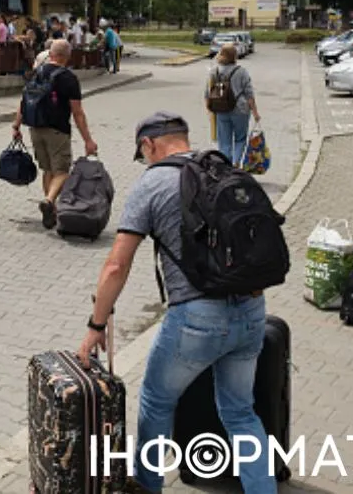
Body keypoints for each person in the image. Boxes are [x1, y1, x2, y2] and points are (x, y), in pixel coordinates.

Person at [78, 111, 276, 494]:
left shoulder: (152, 183)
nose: (144, 160)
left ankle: (148, 487)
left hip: (195, 318)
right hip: (252, 311)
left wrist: (96, 326)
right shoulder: (225, 169)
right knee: (239, 412)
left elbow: (116, 265)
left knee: (155, 402)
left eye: (142, 153)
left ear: (149, 144)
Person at [11, 40, 98, 228]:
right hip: (57, 130)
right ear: (67, 56)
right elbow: (77, 112)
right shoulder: (68, 78)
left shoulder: (36, 73)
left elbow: (23, 100)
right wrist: (88, 140)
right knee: (62, 171)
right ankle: (49, 201)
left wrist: (16, 125)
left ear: (50, 54)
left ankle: (52, 210)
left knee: (48, 170)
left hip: (35, 127)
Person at [206, 43, 260, 167]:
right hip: (241, 110)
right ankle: (236, 161)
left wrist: (210, 111)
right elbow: (249, 94)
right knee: (240, 138)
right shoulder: (241, 72)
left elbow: (208, 93)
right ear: (234, 56)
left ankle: (226, 164)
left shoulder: (214, 71)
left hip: (221, 109)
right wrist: (255, 112)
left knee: (224, 141)